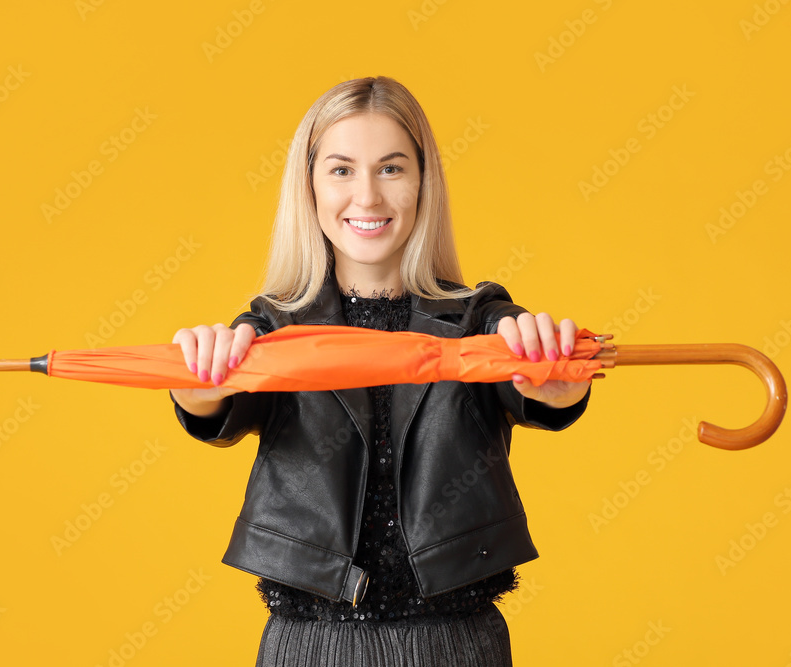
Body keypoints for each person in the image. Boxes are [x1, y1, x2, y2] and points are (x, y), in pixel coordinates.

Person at [168, 76, 592, 667]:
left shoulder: (478, 318)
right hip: (310, 644)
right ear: (309, 187)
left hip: (456, 642)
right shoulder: (272, 330)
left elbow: (531, 386)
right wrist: (198, 382)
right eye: (341, 170)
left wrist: (554, 381)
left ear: (423, 185)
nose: (367, 197)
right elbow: (220, 408)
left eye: (391, 169)